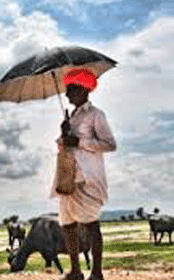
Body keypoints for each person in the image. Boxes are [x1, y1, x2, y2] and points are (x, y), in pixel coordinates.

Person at [50, 69, 117, 280]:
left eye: (71, 89)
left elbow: (110, 145)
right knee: (68, 224)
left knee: (91, 225)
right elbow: (65, 147)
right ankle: (76, 271)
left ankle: (97, 272)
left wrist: (79, 142)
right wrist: (64, 134)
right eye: (67, 90)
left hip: (87, 179)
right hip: (67, 176)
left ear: (84, 90)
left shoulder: (96, 115)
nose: (68, 94)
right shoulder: (72, 117)